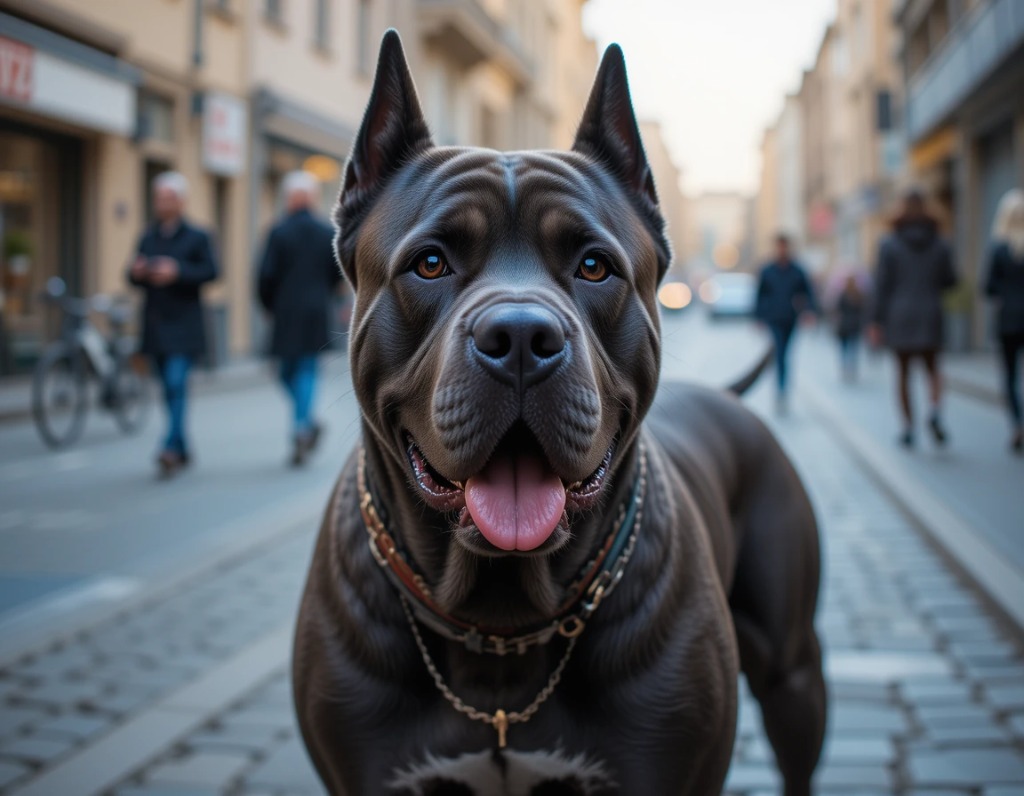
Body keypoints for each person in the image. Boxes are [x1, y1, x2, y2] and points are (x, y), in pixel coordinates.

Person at [127, 171, 218, 476]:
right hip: (155, 325)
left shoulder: (198, 236)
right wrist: (137, 272)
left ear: (180, 201)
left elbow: (211, 272)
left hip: (184, 324)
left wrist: (177, 272)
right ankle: (181, 446)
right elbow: (130, 276)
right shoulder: (148, 236)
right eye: (159, 198)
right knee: (167, 388)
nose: (162, 203)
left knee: (177, 384)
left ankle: (168, 446)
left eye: (168, 198)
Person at [258, 171, 342, 466]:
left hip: (286, 312)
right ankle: (305, 423)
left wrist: (268, 305)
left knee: (287, 372)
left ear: (290, 199)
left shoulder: (278, 232)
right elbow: (337, 274)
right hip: (317, 311)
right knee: (305, 369)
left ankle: (301, 427)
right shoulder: (326, 232)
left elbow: (265, 276)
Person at [869, 190, 957, 448]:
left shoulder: (889, 243)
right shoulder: (941, 242)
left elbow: (882, 285)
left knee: (903, 374)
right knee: (933, 370)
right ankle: (935, 412)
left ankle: (908, 427)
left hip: (900, 315)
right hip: (931, 312)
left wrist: (875, 321)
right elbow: (950, 280)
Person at [755, 233, 817, 413]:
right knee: (780, 353)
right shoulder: (768, 270)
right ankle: (781, 391)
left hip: (790, 318)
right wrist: (758, 317)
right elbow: (760, 295)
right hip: (773, 318)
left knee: (786, 355)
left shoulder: (797, 270)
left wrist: (809, 312)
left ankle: (783, 389)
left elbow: (808, 293)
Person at [984, 188, 1024, 454]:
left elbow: (987, 287)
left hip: (1008, 321)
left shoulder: (998, 249)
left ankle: (1017, 424)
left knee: (1010, 376)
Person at [834, 275, 865, 382]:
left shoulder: (843, 295)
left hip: (845, 325)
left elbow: (837, 309)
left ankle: (846, 367)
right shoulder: (858, 295)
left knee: (845, 348)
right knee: (853, 347)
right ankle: (851, 367)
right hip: (854, 325)